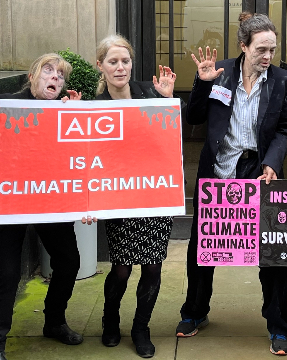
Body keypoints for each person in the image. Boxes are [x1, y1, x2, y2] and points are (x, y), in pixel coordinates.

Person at [0, 54, 84, 360]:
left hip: (51, 201)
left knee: (69, 261)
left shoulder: (66, 110)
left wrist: (77, 115)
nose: (55, 78)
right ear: (33, 75)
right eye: (49, 70)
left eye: (61, 75)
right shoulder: (4, 104)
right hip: (11, 204)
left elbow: (84, 159)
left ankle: (55, 322)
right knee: (7, 273)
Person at [176, 12, 287, 356]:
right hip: (217, 170)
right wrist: (201, 83)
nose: (268, 57)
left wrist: (273, 162)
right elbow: (195, 117)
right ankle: (194, 313)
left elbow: (285, 129)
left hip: (258, 171)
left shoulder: (285, 82)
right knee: (203, 247)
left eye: (272, 49)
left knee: (273, 252)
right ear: (243, 46)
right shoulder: (220, 74)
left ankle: (278, 325)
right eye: (261, 49)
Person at [94, 34, 185, 359]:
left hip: (153, 197)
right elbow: (83, 160)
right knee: (121, 268)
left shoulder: (150, 93)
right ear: (100, 66)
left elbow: (176, 134)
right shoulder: (94, 109)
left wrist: (168, 99)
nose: (120, 67)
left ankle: (140, 328)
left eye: (125, 61)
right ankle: (110, 321)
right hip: (118, 200)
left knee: (152, 268)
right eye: (113, 61)